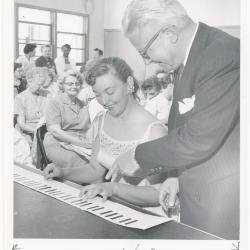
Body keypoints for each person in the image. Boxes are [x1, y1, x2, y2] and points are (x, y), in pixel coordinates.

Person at [107, 0, 240, 239]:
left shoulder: (223, 55)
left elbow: (199, 139)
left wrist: (139, 155)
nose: (147, 62)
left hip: (224, 206)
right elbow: (183, 124)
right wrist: (174, 175)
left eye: (145, 53)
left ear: (169, 34)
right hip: (197, 196)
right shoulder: (185, 59)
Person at [44, 57, 171, 213]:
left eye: (110, 92)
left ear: (129, 84)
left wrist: (114, 188)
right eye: (97, 94)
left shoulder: (155, 131)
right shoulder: (101, 120)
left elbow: (157, 193)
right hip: (110, 208)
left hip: (144, 216)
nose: (104, 101)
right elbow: (95, 171)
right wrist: (63, 172)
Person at [43, 70, 91, 169]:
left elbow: (89, 128)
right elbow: (55, 131)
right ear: (62, 86)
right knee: (81, 162)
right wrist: (80, 143)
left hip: (80, 142)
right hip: (58, 142)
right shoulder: (55, 103)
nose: (74, 86)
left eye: (77, 84)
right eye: (70, 84)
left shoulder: (83, 104)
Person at [14, 67, 52, 145]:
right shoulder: (20, 98)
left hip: (47, 130)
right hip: (28, 132)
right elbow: (22, 125)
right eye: (38, 85)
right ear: (29, 82)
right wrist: (37, 132)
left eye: (41, 85)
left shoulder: (48, 94)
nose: (40, 88)